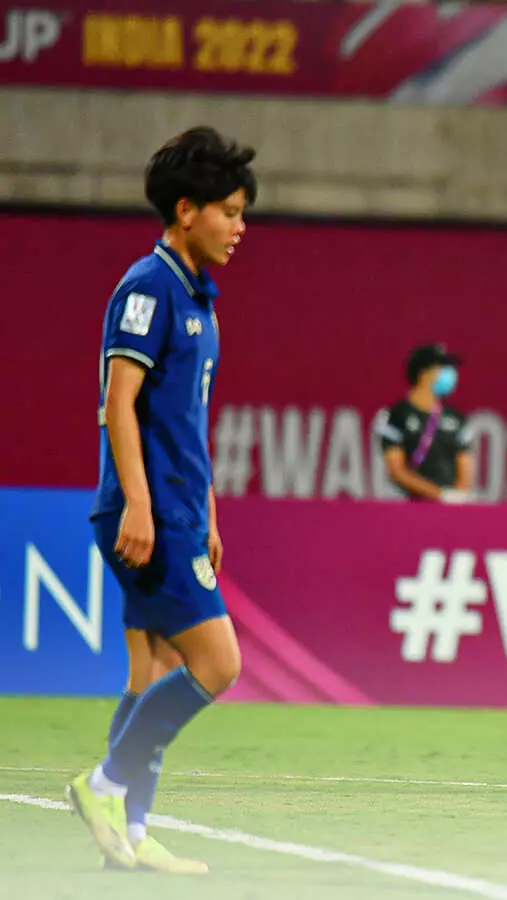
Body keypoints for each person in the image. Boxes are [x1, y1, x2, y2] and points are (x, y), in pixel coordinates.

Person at [66, 126, 256, 874]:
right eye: (230, 211)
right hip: (147, 511)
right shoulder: (148, 286)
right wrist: (142, 508)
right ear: (186, 210)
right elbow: (119, 403)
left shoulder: (197, 297)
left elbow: (183, 423)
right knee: (219, 664)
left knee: (148, 673)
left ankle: (130, 835)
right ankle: (106, 785)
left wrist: (205, 513)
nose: (240, 227)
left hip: (179, 509)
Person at [378, 344, 476, 502]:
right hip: (411, 506)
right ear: (423, 373)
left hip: (450, 509)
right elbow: (397, 471)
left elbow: (465, 466)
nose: (450, 374)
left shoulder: (456, 418)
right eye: (442, 368)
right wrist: (439, 495)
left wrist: (457, 496)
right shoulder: (396, 416)